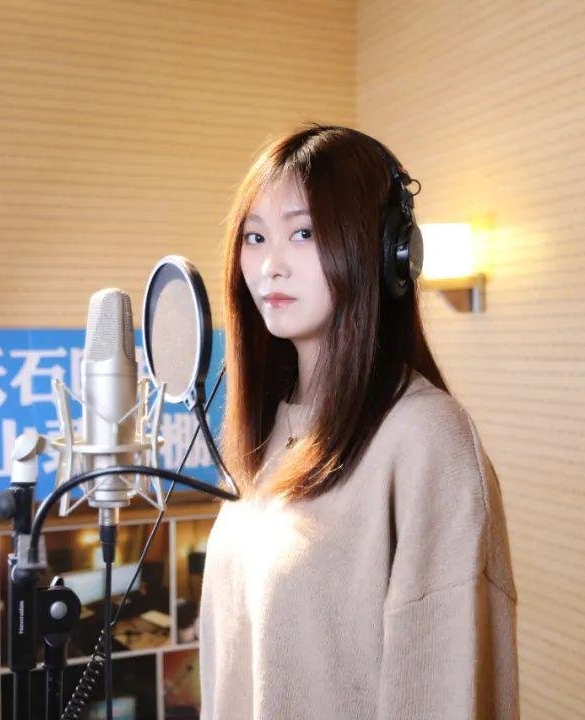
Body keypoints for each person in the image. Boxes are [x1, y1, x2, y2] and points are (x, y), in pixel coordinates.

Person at [198, 125, 518, 719]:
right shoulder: (269, 431)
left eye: (303, 233)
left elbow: (443, 693)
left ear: (387, 249)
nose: (269, 265)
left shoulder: (427, 439)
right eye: (255, 237)